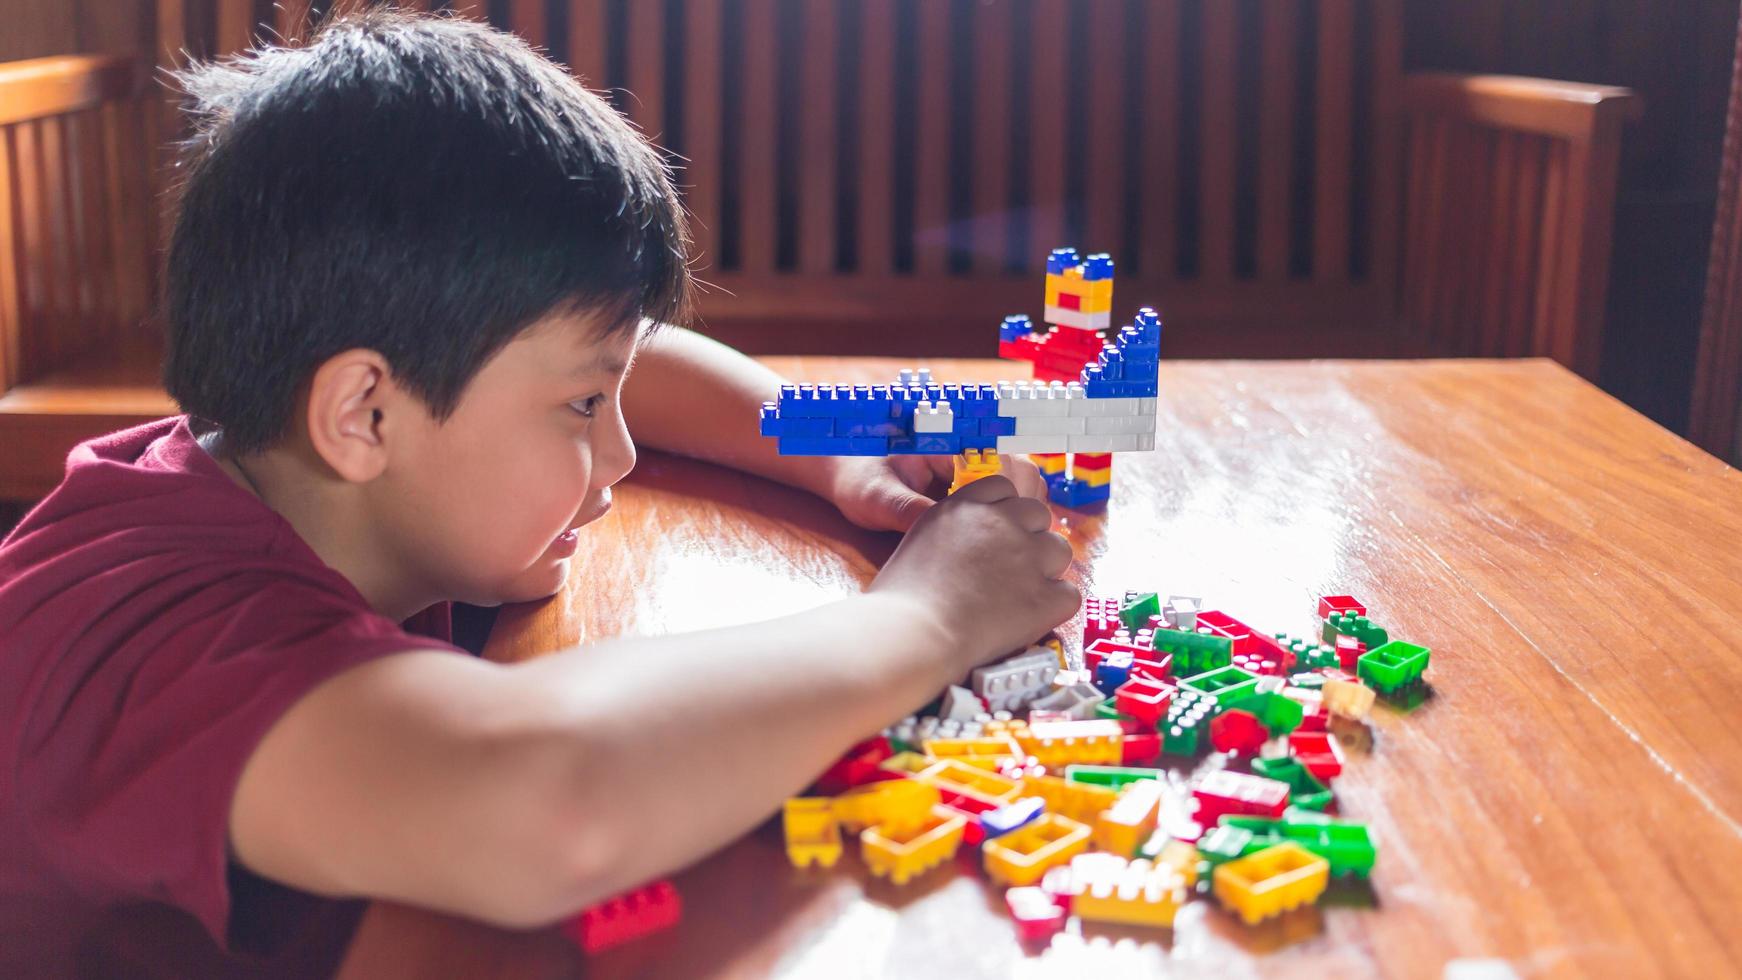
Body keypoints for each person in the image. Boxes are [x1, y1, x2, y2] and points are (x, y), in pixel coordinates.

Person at [0, 10, 1078, 976]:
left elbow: (629, 356)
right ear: (364, 415)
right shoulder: (145, 642)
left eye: (601, 402)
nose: (615, 451)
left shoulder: (297, 459)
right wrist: (930, 613)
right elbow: (550, 801)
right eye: (579, 410)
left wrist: (837, 443)